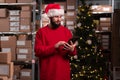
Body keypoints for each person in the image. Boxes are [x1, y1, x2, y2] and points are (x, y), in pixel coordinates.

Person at [34, 3, 77, 80]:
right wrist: (55, 46)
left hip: (63, 72)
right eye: (56, 17)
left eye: (60, 17)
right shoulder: (41, 32)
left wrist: (72, 49)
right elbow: (38, 51)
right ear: (50, 17)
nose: (59, 19)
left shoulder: (66, 31)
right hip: (47, 73)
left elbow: (73, 53)